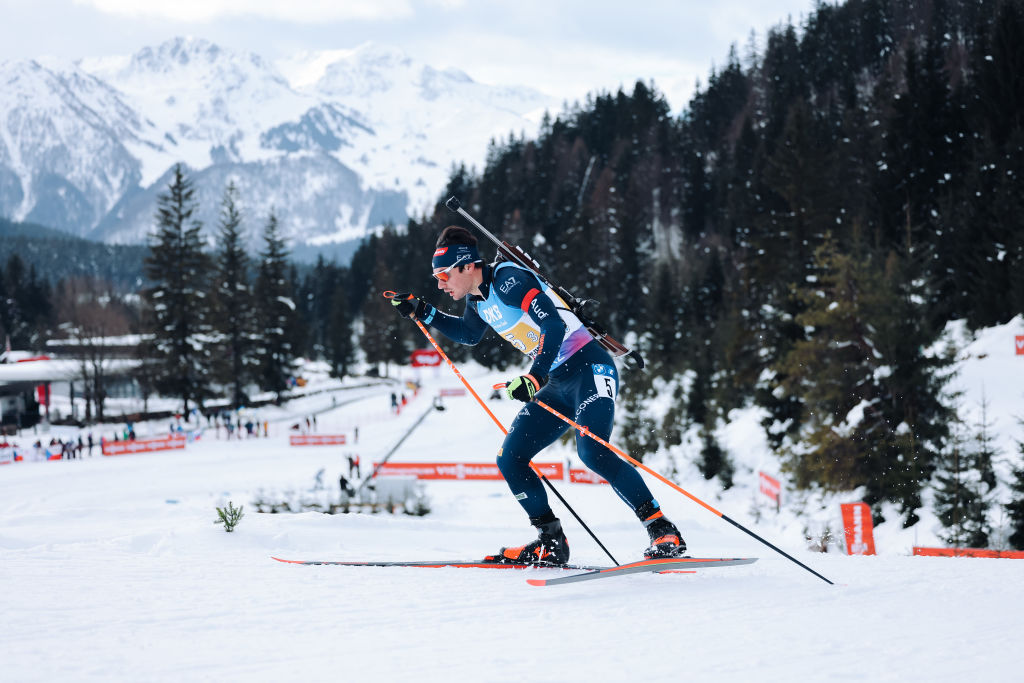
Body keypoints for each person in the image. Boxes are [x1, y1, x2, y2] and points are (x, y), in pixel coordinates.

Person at [390, 225, 687, 565]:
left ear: (467, 265)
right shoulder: (477, 297)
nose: (440, 284)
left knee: (591, 451)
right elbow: (470, 334)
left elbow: (554, 326)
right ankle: (551, 541)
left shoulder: (509, 281)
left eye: (443, 275)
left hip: (590, 368)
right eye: (436, 277)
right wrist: (422, 311)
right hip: (559, 381)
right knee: (511, 458)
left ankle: (662, 529)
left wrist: (533, 376)